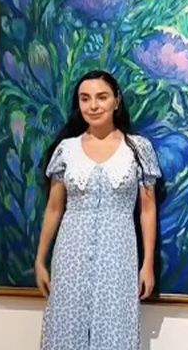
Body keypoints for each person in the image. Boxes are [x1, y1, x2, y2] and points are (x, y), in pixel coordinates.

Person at [34, 70, 162, 349]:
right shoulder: (66, 150)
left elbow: (147, 210)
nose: (93, 105)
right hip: (71, 254)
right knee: (66, 327)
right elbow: (54, 209)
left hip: (119, 254)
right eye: (85, 98)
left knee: (115, 328)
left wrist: (148, 264)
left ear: (117, 100)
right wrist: (40, 260)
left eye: (101, 97)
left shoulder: (138, 149)